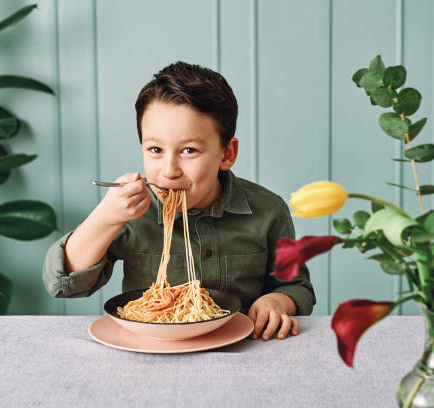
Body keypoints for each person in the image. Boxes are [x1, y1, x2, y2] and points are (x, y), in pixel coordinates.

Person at [42, 61, 315, 340]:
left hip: (243, 348)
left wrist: (277, 301)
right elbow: (63, 283)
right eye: (156, 149)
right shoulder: (131, 210)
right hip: (149, 350)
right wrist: (106, 217)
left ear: (226, 154)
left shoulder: (268, 210)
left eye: (188, 150)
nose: (169, 170)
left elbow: (297, 286)